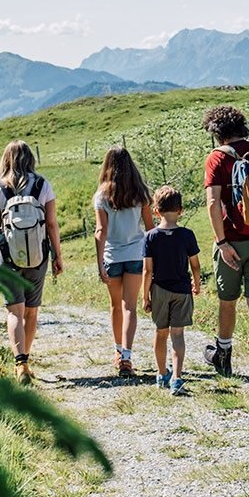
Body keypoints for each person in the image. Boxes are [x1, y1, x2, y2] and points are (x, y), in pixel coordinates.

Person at [202, 105, 249, 385]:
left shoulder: (217, 159)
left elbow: (212, 202)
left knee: (228, 302)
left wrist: (221, 242)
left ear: (216, 132)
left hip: (231, 241)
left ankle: (223, 356)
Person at [0, 140, 63, 385]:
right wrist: (57, 255)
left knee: (14, 311)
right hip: (37, 256)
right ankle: (26, 361)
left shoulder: (0, 187)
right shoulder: (43, 185)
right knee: (31, 311)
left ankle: (20, 363)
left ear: (6, 159)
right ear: (31, 159)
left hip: (6, 255)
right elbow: (51, 224)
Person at [94, 146, 154, 378]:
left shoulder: (102, 195)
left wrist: (99, 264)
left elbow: (101, 231)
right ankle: (127, 356)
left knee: (115, 306)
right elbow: (150, 229)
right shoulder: (140, 193)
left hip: (113, 256)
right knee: (130, 306)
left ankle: (118, 351)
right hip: (136, 254)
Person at [142, 185, 201, 395]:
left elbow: (147, 271)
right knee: (178, 334)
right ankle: (177, 378)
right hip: (182, 290)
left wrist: (145, 296)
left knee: (160, 333)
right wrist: (197, 283)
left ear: (156, 211)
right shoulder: (187, 235)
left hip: (159, 289)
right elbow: (195, 264)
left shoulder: (150, 237)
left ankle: (161, 374)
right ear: (181, 210)